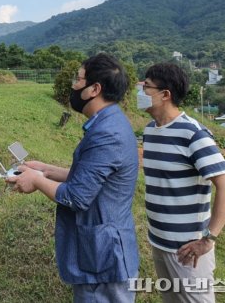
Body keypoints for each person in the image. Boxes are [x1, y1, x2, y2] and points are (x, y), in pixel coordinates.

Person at [8, 53, 139, 303]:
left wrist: (36, 181)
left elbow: (77, 196)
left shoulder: (107, 134)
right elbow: (91, 178)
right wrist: (46, 169)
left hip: (103, 258)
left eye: (78, 79)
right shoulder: (109, 123)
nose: (73, 85)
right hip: (103, 251)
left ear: (94, 89)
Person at [138, 63, 225, 303]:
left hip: (188, 249)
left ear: (165, 95)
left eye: (146, 86)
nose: (140, 92)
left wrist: (208, 239)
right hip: (159, 242)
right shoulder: (150, 131)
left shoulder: (193, 134)